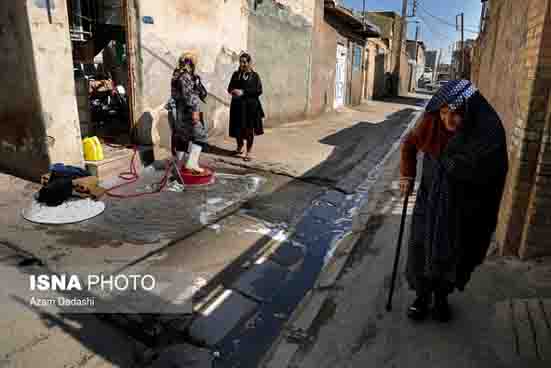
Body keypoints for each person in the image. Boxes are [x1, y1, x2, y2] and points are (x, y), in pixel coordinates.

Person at [399, 80, 508, 322]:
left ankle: (441, 298)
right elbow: (408, 145)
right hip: (428, 204)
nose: (448, 121)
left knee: (451, 254)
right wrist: (407, 174)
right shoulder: (430, 124)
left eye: (456, 114)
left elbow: (491, 176)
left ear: (468, 112)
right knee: (420, 248)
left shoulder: (484, 135)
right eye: (444, 112)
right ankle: (421, 297)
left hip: (461, 210)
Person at [169, 51, 208, 155]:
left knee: (183, 137)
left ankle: (180, 163)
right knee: (200, 137)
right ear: (190, 63)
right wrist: (195, 111)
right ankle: (191, 163)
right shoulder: (185, 76)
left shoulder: (177, 74)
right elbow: (189, 96)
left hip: (180, 109)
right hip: (188, 111)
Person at [227, 53, 265, 161]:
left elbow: (258, 91)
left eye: (244, 62)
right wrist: (233, 91)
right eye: (241, 62)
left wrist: (243, 92)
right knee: (237, 129)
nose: (242, 64)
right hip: (237, 107)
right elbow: (229, 88)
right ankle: (239, 147)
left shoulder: (254, 76)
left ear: (249, 63)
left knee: (249, 130)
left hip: (250, 108)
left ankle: (248, 152)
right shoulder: (236, 74)